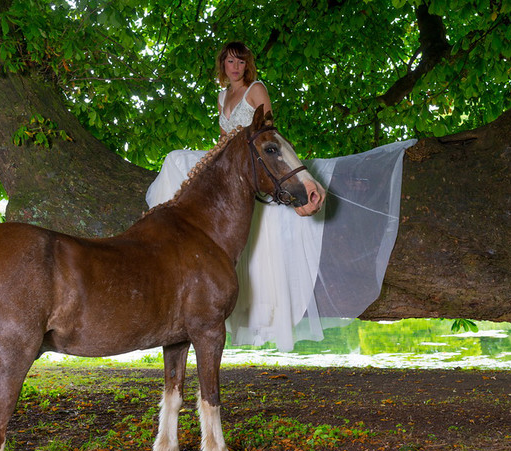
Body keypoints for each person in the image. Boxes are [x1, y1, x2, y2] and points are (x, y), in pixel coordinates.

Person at [146, 41, 415, 351]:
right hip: (229, 160)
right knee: (176, 158)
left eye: (242, 62)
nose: (237, 67)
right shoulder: (222, 96)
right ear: (222, 65)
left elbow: (268, 132)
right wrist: (211, 162)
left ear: (247, 65)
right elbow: (222, 139)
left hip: (253, 161)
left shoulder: (256, 89)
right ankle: (173, 220)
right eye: (231, 62)